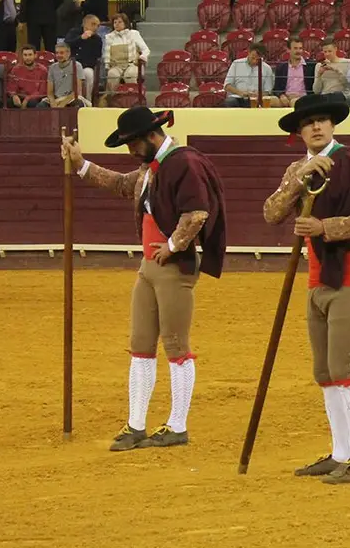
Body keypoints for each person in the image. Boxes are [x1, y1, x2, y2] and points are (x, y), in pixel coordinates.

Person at [61, 108, 228, 451]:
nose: (129, 151)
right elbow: (122, 185)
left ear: (151, 136)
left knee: (176, 346)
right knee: (140, 345)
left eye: (132, 144)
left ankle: (177, 426)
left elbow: (197, 213)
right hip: (150, 267)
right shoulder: (151, 169)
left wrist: (171, 245)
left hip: (174, 267)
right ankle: (136, 424)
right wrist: (80, 164)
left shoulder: (183, 163)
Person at [265, 93, 350, 484]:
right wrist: (297, 180)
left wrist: (325, 227)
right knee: (325, 371)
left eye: (323, 120)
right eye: (309, 122)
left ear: (334, 125)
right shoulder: (298, 168)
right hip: (318, 276)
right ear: (299, 131)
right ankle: (342, 452)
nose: (317, 127)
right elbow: (272, 213)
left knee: (343, 368)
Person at [103, 13, 150, 98]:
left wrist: (142, 57)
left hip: (132, 64)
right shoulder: (109, 37)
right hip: (116, 65)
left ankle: (133, 98)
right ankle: (112, 99)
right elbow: (106, 54)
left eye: (120, 22)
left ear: (125, 23)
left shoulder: (134, 34)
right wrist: (108, 65)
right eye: (115, 22)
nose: (117, 24)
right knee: (112, 74)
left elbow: (146, 50)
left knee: (130, 74)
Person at [65, 14, 103, 99]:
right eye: (93, 24)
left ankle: (87, 100)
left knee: (89, 74)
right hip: (71, 65)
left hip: (86, 66)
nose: (96, 27)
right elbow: (66, 45)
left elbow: (97, 57)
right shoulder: (74, 32)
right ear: (85, 24)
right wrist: (81, 38)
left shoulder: (97, 39)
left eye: (98, 25)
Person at [43, 42, 89, 107]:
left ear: (68, 53)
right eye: (57, 53)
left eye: (61, 53)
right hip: (56, 98)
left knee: (78, 104)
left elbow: (77, 91)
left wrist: (63, 103)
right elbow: (50, 92)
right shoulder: (52, 67)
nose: (58, 55)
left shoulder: (76, 65)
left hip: (71, 98)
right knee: (41, 106)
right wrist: (53, 103)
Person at [275, 37, 316, 106]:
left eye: (300, 48)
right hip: (286, 98)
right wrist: (281, 95)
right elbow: (276, 88)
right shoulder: (281, 67)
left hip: (303, 98)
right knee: (271, 100)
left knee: (294, 102)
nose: (298, 51)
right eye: (295, 48)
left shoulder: (311, 66)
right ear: (288, 50)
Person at [7, 44, 49, 108]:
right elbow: (12, 87)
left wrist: (28, 98)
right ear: (22, 56)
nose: (27, 58)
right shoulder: (16, 69)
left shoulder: (43, 70)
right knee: (10, 102)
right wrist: (14, 96)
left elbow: (42, 91)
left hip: (35, 98)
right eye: (25, 55)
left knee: (32, 103)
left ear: (35, 55)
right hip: (20, 96)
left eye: (30, 55)